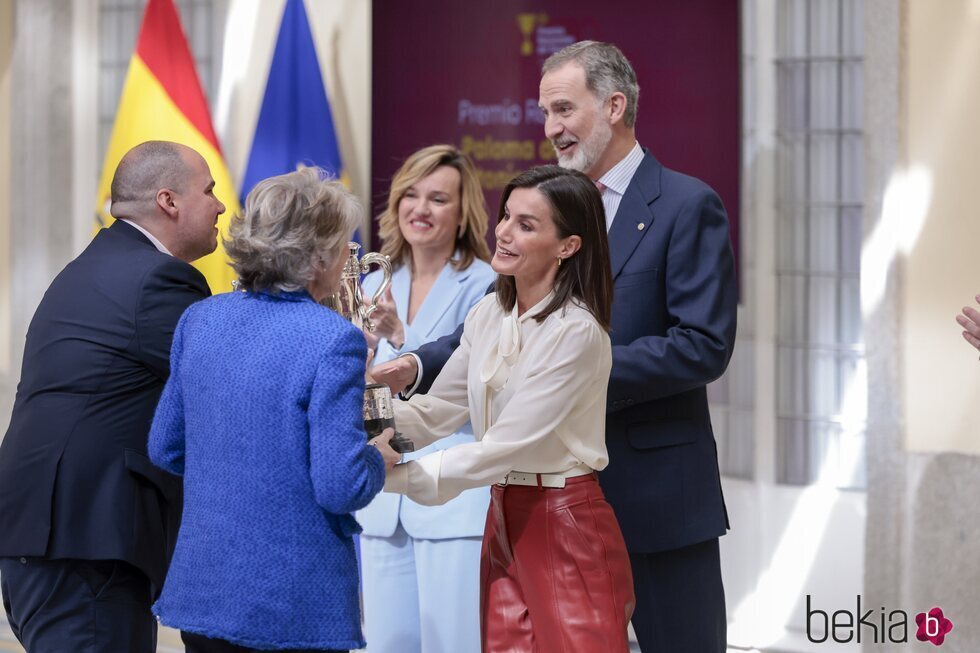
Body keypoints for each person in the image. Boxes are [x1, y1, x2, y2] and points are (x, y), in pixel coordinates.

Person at [372, 41, 738, 653]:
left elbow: (702, 345)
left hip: (653, 493)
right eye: (545, 113)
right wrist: (411, 367)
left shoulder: (684, 204)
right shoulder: (543, 207)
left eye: (564, 109)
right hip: (533, 511)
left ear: (615, 105)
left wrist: (569, 372)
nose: (552, 129)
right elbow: (491, 329)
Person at [147, 167, 400, 653]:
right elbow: (340, 484)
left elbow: (166, 447)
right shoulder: (332, 339)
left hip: (205, 588)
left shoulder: (200, 318)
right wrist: (376, 457)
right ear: (318, 256)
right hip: (292, 601)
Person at [383, 165, 634, 652]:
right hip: (502, 513)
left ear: (569, 246)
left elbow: (501, 447)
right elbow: (439, 410)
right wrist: (365, 427)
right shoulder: (488, 313)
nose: (503, 232)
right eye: (506, 216)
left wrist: (385, 478)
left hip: (565, 522)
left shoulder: (576, 332)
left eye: (527, 224)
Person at [0, 141, 223, 652]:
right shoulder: (157, 279)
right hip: (85, 545)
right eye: (208, 190)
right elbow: (230, 385)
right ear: (168, 201)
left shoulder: (96, 265)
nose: (220, 205)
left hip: (52, 537)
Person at [357, 145, 495, 653]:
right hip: (382, 498)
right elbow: (362, 389)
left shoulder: (488, 285)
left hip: (452, 500)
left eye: (438, 198)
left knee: (453, 644)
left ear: (462, 214)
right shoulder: (372, 282)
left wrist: (397, 338)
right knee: (386, 645)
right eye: (410, 195)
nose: (421, 208)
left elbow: (470, 390)